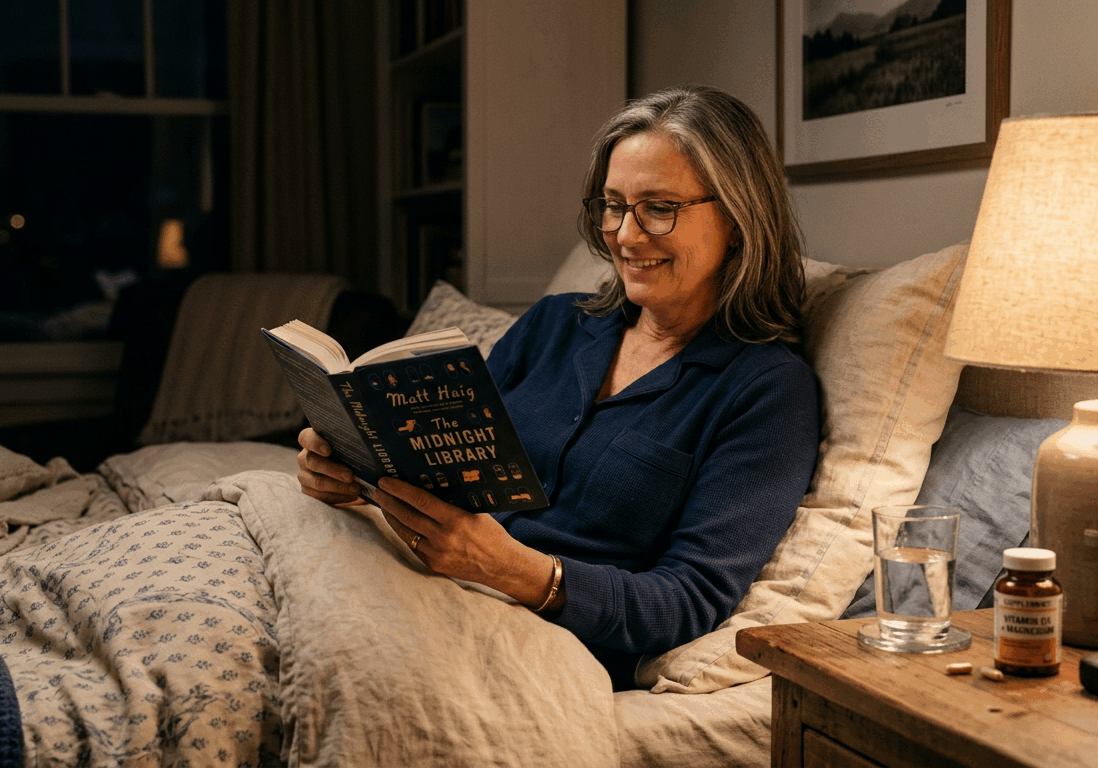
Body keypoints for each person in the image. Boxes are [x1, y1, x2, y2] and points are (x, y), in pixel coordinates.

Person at [297, 85, 820, 690]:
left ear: (737, 217)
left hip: (535, 641)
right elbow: (445, 466)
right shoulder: (556, 323)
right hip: (416, 575)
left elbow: (688, 600)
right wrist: (352, 474)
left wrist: (519, 573)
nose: (625, 236)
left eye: (658, 207)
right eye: (614, 204)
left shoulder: (766, 392)